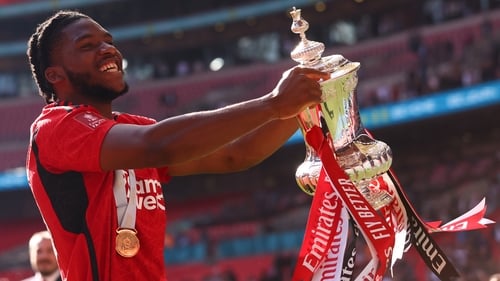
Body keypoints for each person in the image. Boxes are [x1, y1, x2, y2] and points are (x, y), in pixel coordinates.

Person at [25, 10, 328, 281]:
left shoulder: (132, 127)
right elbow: (157, 146)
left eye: (108, 41)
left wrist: (300, 105)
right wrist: (274, 103)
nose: (107, 50)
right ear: (55, 75)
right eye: (87, 46)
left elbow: (237, 154)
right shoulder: (55, 127)